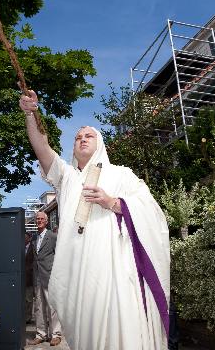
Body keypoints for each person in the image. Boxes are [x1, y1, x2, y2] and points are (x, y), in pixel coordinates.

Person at [19, 91, 170, 350]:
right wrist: (30, 114)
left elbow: (152, 212)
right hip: (78, 271)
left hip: (115, 270)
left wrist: (112, 202)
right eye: (77, 138)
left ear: (100, 144)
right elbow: (41, 148)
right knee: (87, 335)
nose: (81, 139)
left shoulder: (121, 175)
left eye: (88, 136)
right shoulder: (67, 177)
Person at [27, 212, 62, 346]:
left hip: (50, 276)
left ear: (46, 221)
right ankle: (41, 334)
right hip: (37, 277)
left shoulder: (52, 237)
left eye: (42, 219)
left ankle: (56, 334)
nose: (39, 221)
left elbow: (59, 256)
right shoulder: (34, 238)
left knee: (52, 307)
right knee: (39, 307)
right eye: (37, 219)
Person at [24, 231, 34, 324]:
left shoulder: (33, 248)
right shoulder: (19, 248)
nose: (24, 239)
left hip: (30, 278)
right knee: (23, 299)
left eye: (26, 238)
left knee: (29, 299)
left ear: (29, 238)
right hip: (22, 278)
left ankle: (28, 317)